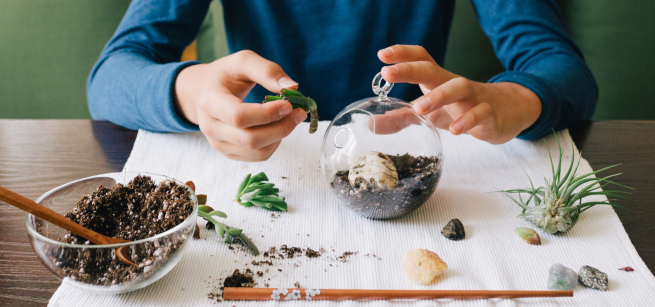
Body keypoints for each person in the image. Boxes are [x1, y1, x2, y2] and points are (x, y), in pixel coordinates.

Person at [87, 0, 597, 162]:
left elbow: (559, 65)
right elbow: (110, 76)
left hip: (408, 156)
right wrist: (192, 92)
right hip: (269, 162)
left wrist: (512, 99)